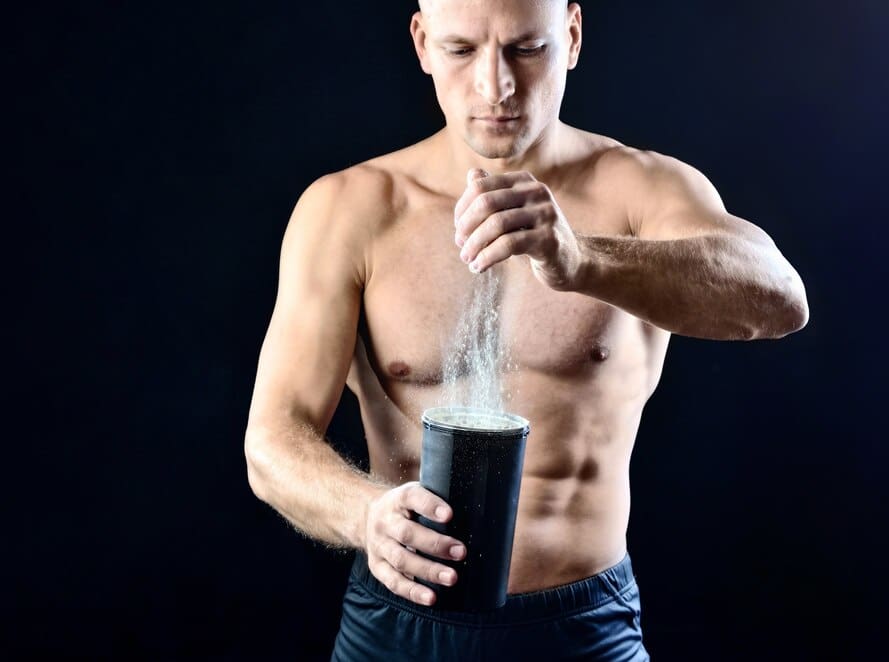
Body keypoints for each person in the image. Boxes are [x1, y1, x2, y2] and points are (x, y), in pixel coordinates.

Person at [244, 0, 809, 659]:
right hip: (397, 627)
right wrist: (364, 515)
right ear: (423, 45)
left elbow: (779, 298)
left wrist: (583, 260)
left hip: (582, 628)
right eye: (461, 51)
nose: (496, 86)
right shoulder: (352, 210)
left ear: (570, 36)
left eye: (526, 49)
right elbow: (272, 441)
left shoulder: (639, 191)